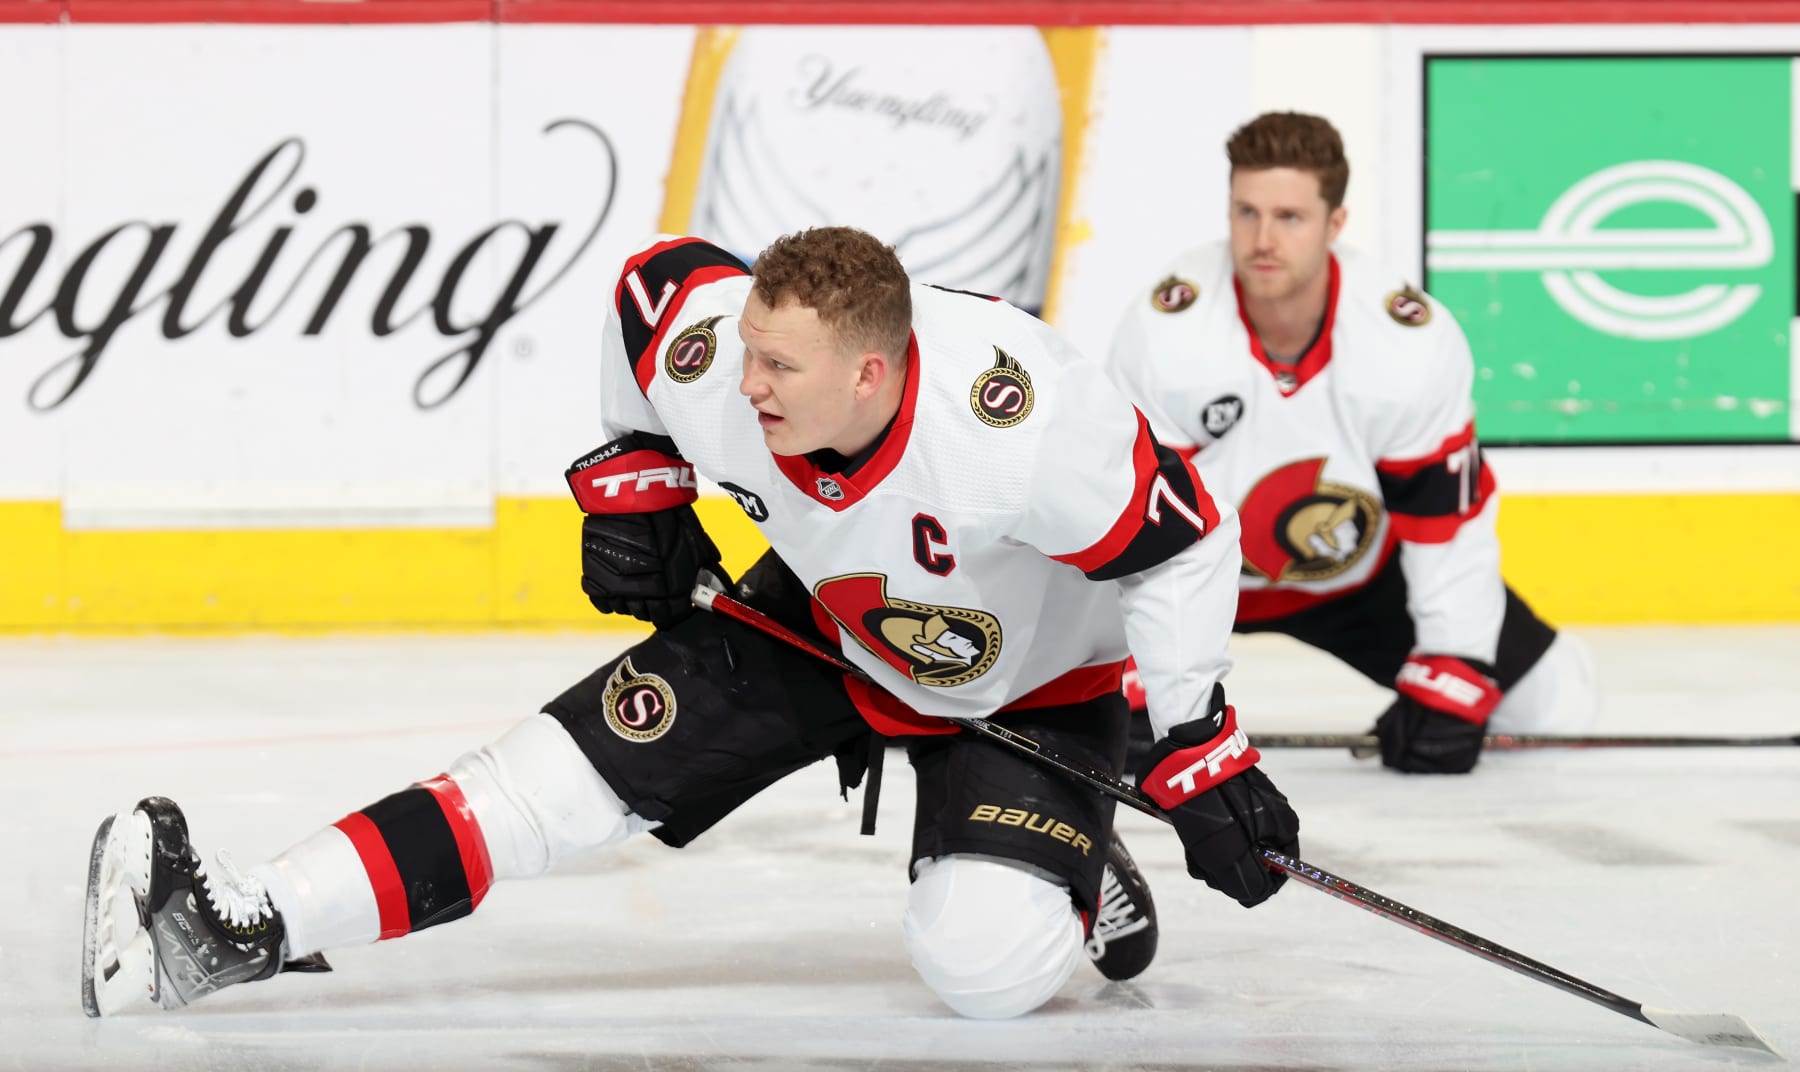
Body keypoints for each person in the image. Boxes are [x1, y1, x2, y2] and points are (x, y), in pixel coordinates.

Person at [82, 226, 1301, 1021]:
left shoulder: (1025, 423)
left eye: (782, 369)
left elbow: (1186, 544)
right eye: (748, 357)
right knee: (539, 782)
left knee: (982, 970)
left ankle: (1075, 856)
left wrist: (1196, 739)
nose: (747, 386)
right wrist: (641, 479)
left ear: (873, 375)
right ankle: (238, 922)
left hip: (1027, 685)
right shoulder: (727, 357)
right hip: (825, 621)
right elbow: (649, 289)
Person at [1107, 112, 1598, 776]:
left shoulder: (1406, 345)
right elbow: (1132, 518)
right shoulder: (1168, 331)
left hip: (1356, 584)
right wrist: (1140, 675)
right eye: (1245, 212)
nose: (1262, 239)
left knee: (1553, 708)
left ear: (1335, 224)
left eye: (1289, 217)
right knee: (1033, 701)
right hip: (1194, 581)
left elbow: (1444, 518)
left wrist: (1452, 666)